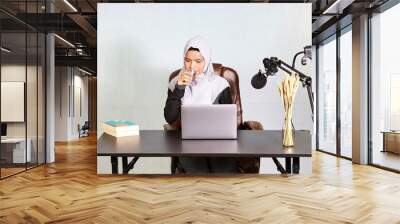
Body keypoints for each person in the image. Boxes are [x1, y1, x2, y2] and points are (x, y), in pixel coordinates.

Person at [163, 36, 237, 174]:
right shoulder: (175, 83)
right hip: (187, 144)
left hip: (218, 143)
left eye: (198, 61)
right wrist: (179, 88)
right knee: (198, 172)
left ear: (207, 61)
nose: (192, 66)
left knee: (224, 171)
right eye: (187, 60)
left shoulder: (220, 85)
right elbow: (170, 118)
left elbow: (228, 122)